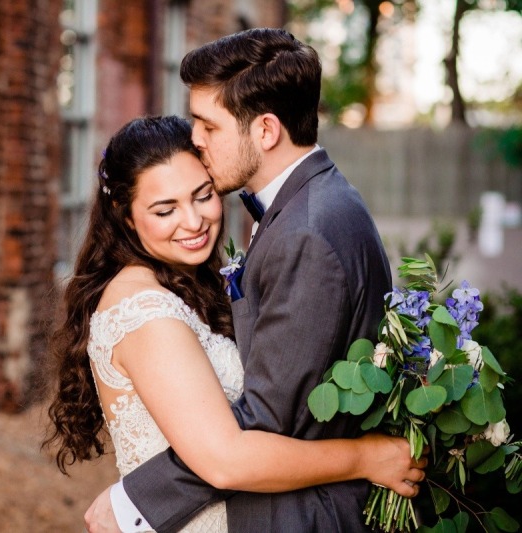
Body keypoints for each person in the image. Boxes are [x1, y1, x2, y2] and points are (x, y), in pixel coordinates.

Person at [82, 29, 399, 533]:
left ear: (266, 130)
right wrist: (364, 456)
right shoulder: (312, 208)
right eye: (165, 208)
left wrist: (134, 500)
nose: (196, 139)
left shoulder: (307, 232)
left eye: (207, 125)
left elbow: (261, 423)